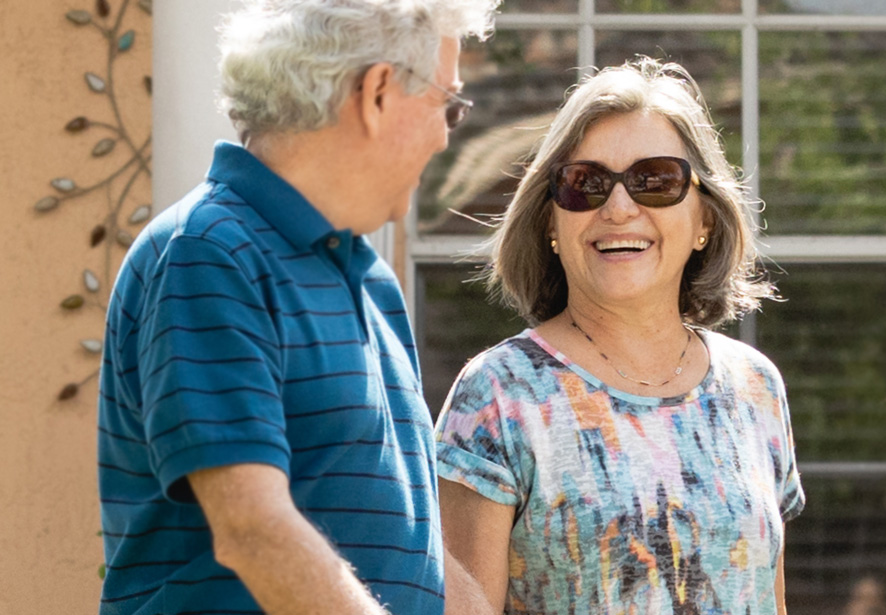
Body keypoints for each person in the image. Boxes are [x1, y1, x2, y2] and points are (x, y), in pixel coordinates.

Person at [97, 1, 500, 613]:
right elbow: (253, 531)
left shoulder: (371, 280)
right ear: (378, 93)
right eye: (448, 103)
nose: (449, 133)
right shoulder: (208, 252)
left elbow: (404, 542)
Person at [435, 57, 806, 615]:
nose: (619, 207)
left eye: (655, 181)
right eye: (584, 185)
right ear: (551, 223)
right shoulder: (499, 396)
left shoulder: (756, 388)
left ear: (704, 219)